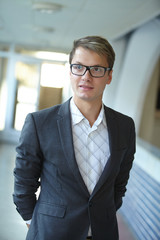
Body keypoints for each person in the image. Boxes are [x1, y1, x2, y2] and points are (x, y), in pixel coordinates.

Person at [13, 36, 136, 240]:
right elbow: (24, 183)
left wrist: (101, 214)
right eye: (79, 67)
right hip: (52, 232)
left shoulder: (124, 126)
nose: (86, 77)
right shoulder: (40, 123)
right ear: (70, 71)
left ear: (109, 76)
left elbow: (119, 183)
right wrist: (33, 222)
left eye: (96, 69)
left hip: (103, 232)